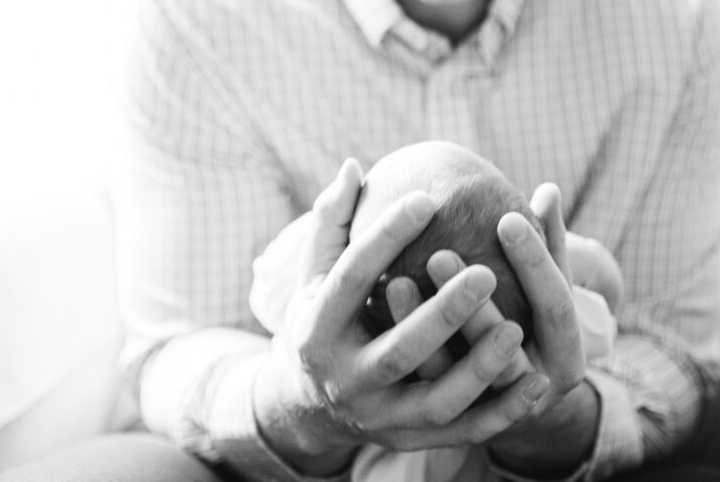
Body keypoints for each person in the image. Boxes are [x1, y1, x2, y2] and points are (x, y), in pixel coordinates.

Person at [0, 0, 720, 480]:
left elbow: (669, 348)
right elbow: (177, 343)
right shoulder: (191, 16)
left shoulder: (677, 22)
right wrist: (297, 401)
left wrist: (551, 418)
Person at [252, 140, 622, 482]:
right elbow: (607, 313)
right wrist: (579, 256)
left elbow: (265, 294)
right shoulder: (544, 316)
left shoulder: (315, 301)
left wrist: (314, 231)